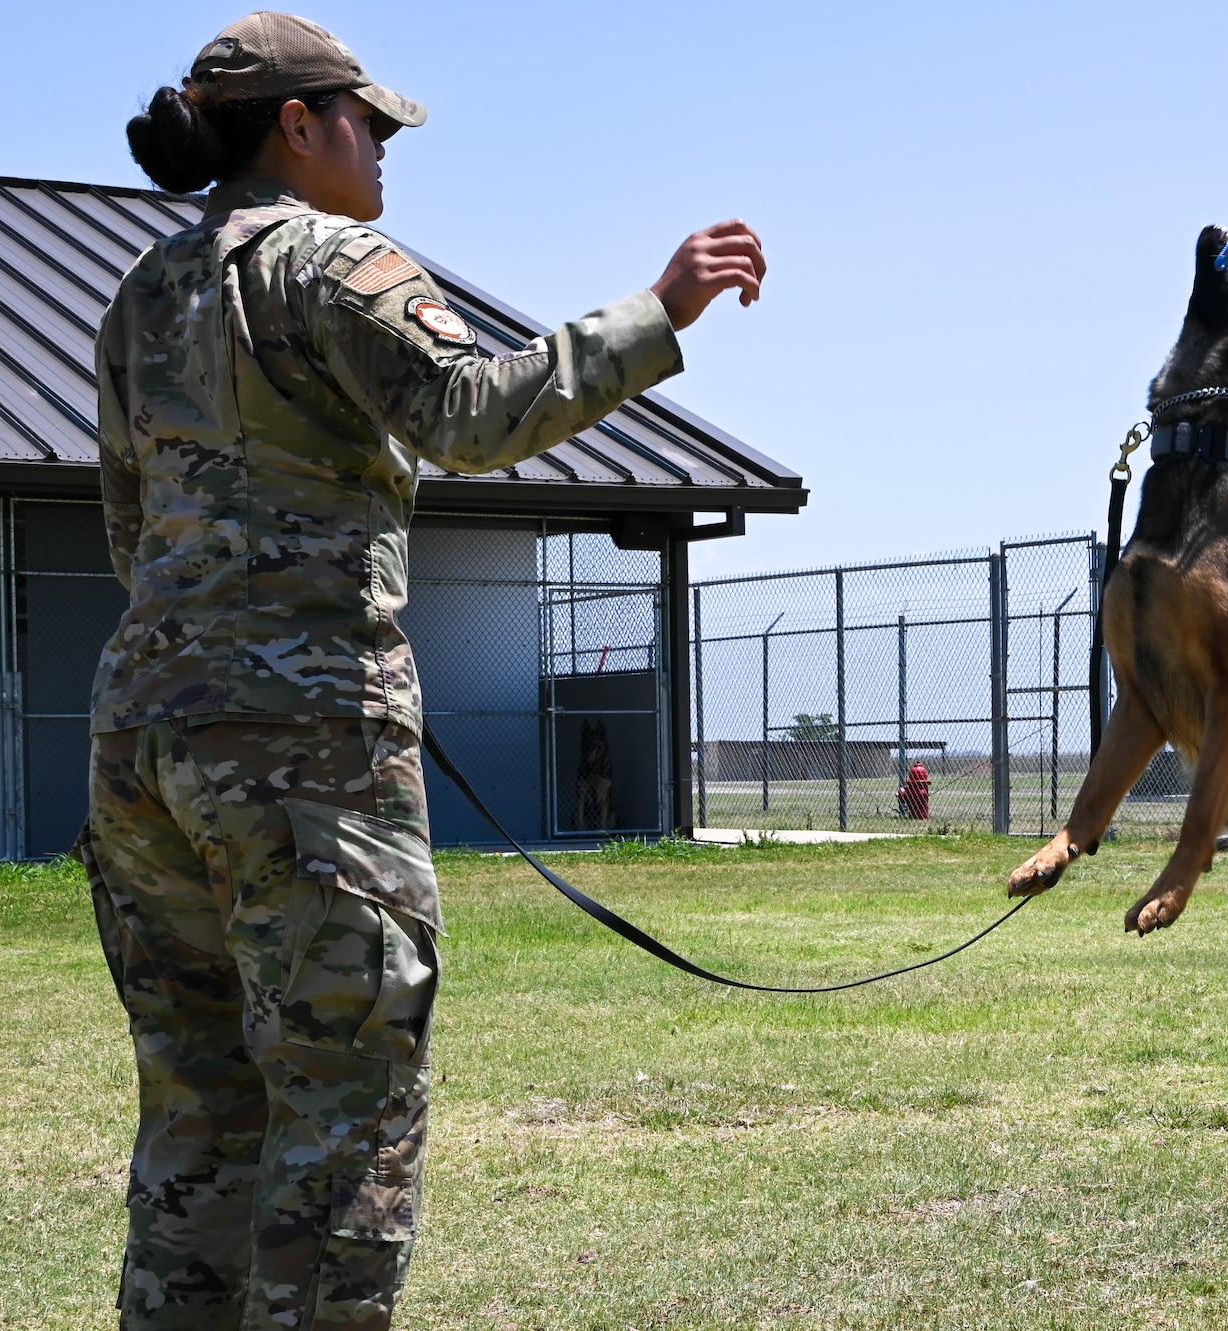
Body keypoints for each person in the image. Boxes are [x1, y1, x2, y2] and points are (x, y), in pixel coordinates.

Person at [81, 13, 765, 1328]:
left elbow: (130, 526)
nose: (385, 148)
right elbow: (477, 413)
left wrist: (221, 646)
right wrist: (660, 308)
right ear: (298, 125)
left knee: (198, 1120)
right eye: (367, 121)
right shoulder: (336, 261)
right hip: (308, 751)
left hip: (144, 747)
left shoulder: (144, 293)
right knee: (343, 1117)